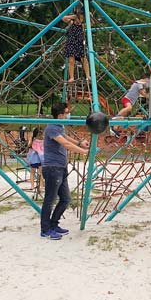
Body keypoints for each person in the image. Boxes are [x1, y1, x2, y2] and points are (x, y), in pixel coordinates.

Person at [40, 102, 89, 240]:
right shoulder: (51, 128)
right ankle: (45, 229)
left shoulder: (59, 126)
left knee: (66, 199)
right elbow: (65, 143)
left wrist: (79, 143)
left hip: (61, 167)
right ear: (60, 114)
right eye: (67, 113)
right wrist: (83, 151)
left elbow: (67, 138)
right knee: (50, 200)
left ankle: (54, 224)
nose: (68, 115)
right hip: (52, 168)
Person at [62, 6, 89, 84]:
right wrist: (72, 17)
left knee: (84, 59)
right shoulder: (71, 22)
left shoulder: (83, 25)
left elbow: (92, 23)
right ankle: (72, 77)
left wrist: (89, 16)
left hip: (79, 43)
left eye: (81, 18)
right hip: (71, 43)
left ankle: (88, 76)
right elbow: (63, 18)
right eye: (78, 18)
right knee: (71, 60)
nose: (79, 20)